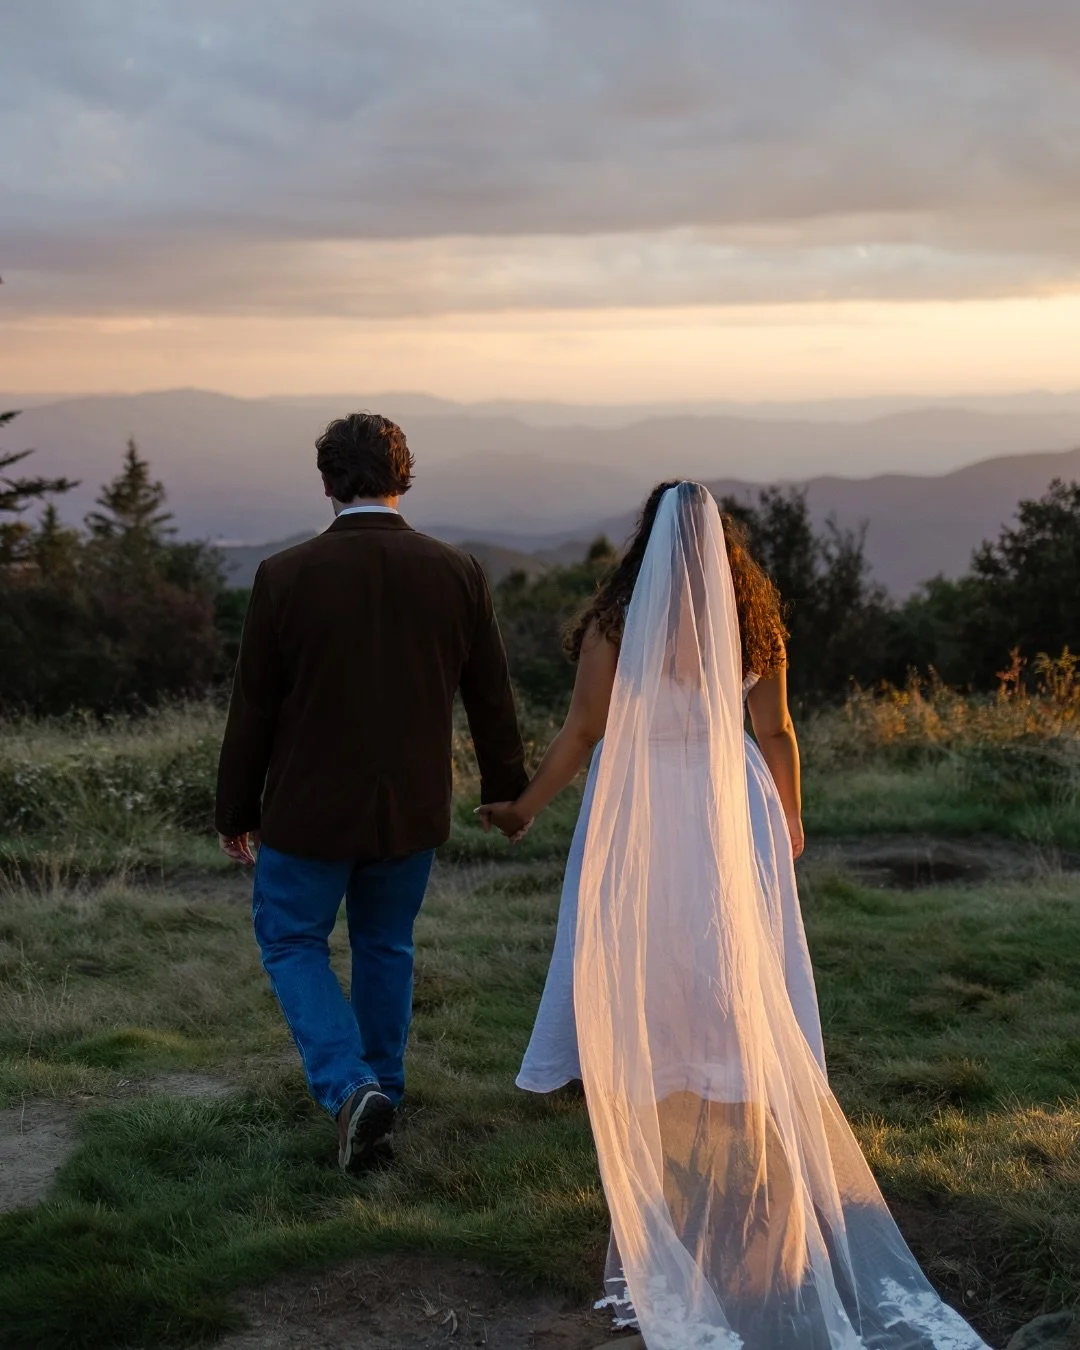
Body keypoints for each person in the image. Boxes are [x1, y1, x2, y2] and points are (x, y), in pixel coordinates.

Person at [480, 482, 987, 1350]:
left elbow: (581, 732)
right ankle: (729, 1119)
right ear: (723, 552)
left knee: (653, 959)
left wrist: (525, 807)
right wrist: (788, 816)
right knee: (731, 965)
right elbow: (779, 728)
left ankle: (673, 1140)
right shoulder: (752, 623)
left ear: (648, 545)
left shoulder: (614, 623)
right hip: (728, 809)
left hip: (639, 815)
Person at [216, 412, 529, 1175]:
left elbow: (254, 705)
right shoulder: (457, 571)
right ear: (403, 478)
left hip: (308, 808)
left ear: (327, 483)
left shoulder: (284, 576)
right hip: (410, 807)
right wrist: (505, 791)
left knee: (292, 941)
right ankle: (382, 1088)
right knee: (386, 945)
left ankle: (353, 1087)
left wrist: (235, 810)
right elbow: (491, 696)